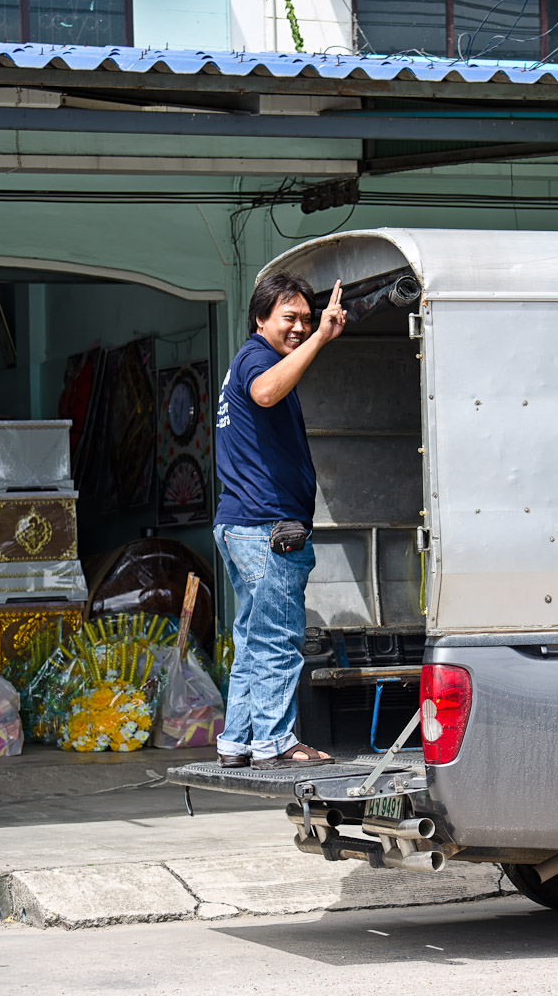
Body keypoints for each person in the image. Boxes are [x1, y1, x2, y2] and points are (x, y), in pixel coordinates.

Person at [213, 271, 347, 769]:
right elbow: (267, 393)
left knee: (252, 639)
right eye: (289, 317)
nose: (299, 327)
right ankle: (274, 741)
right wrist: (320, 338)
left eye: (306, 319)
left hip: (244, 525)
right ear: (259, 319)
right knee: (277, 639)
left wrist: (317, 336)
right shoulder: (257, 359)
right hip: (266, 527)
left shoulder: (255, 360)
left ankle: (237, 741)